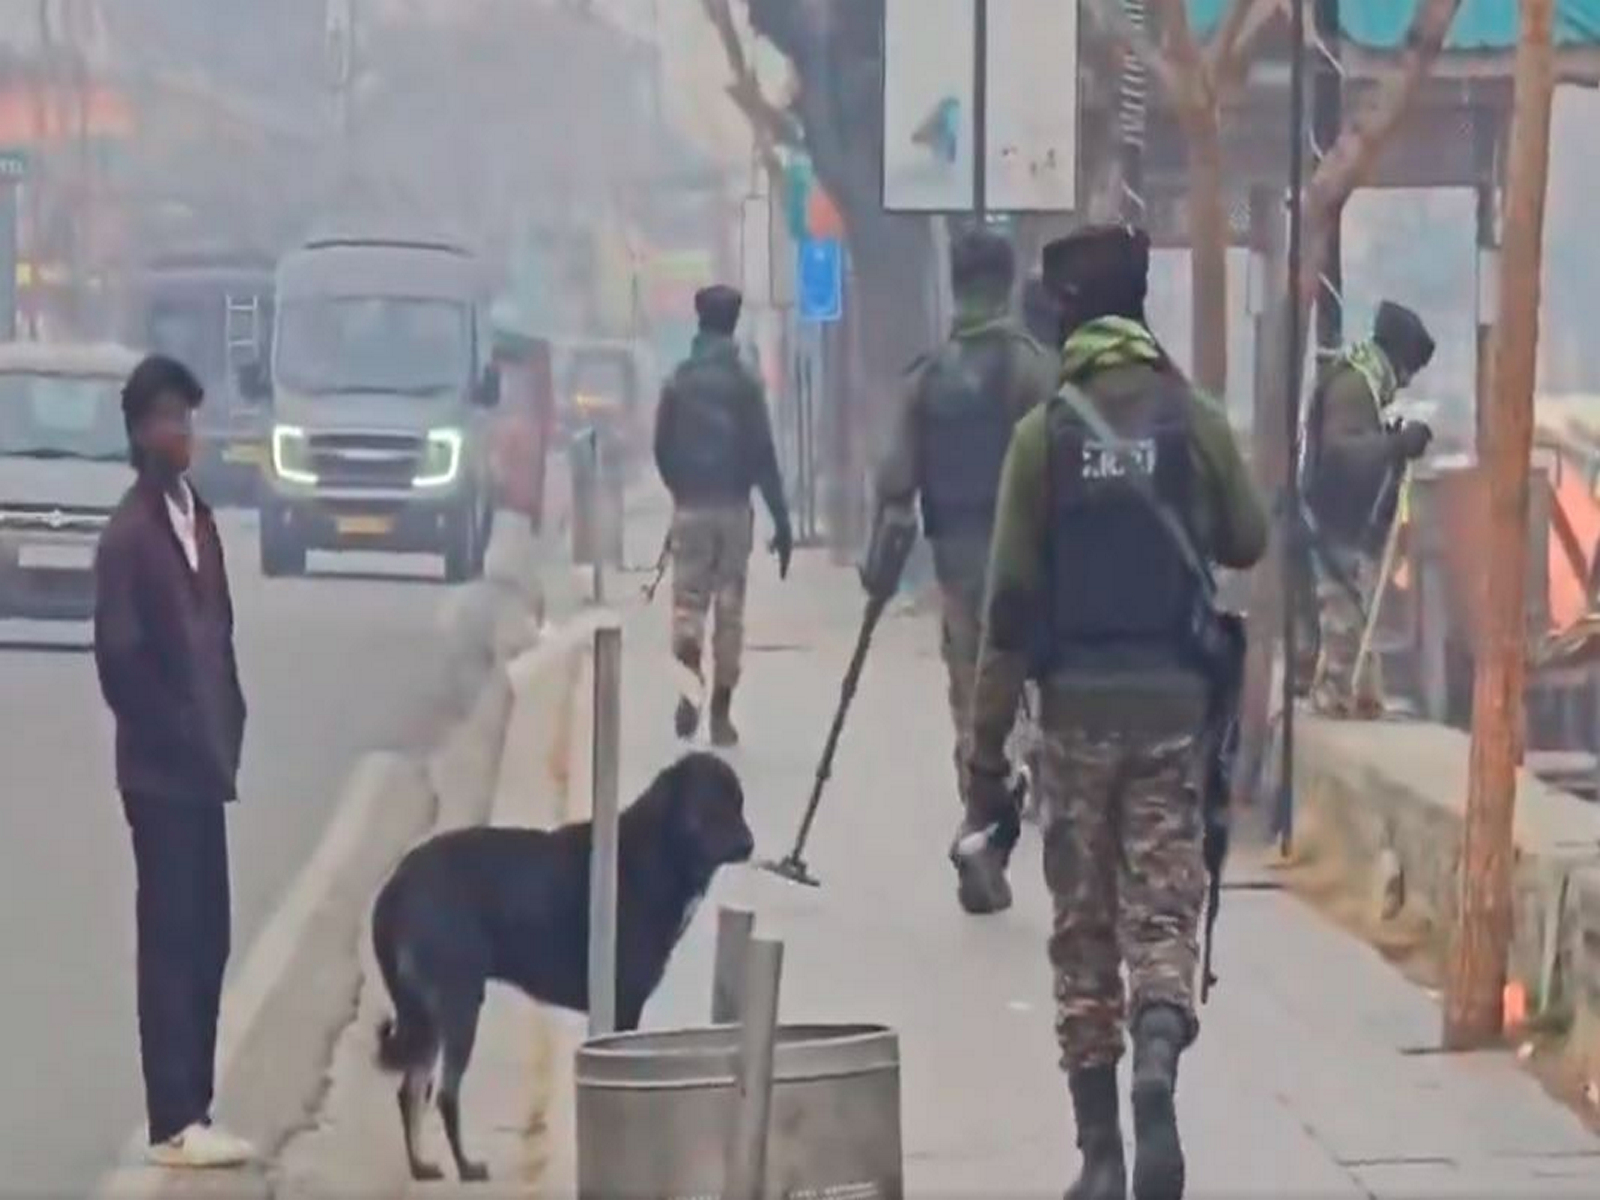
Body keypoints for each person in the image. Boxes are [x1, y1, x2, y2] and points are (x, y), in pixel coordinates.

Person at [967, 226, 1266, 1199]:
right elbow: (1248, 540)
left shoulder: (1040, 439)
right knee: (1163, 906)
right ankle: (1157, 1061)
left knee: (1083, 928)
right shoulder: (1193, 417)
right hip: (1175, 709)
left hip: (1072, 719)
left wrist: (982, 759)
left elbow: (1007, 606)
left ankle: (1098, 1150)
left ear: (1065, 316)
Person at [93, 355, 252, 1169]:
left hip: (205, 768)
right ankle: (173, 1115)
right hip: (159, 774)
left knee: (210, 935)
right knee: (172, 936)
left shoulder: (201, 518)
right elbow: (119, 662)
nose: (179, 433)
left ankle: (200, 1103)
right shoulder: (129, 535)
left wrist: (231, 719)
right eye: (163, 421)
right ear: (137, 433)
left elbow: (216, 635)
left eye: (185, 419)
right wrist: (176, 730)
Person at [871, 228, 1056, 914]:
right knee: (1033, 694)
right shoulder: (1035, 370)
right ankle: (1025, 797)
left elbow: (894, 477)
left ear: (955, 285)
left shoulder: (928, 376)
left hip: (956, 565)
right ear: (1005, 286)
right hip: (1031, 569)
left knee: (974, 711)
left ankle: (983, 827)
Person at [654, 284, 792, 746]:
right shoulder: (746, 384)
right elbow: (763, 455)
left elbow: (662, 447)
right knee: (730, 610)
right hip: (734, 510)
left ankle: (689, 683)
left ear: (699, 321)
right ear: (732, 325)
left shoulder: (679, 379)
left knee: (688, 603)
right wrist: (782, 521)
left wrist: (680, 489)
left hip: (691, 507)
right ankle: (721, 715)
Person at [1300, 300, 1435, 716]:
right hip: (1332, 523)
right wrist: (1397, 444)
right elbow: (1345, 450)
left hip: (1345, 523)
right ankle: (1335, 695)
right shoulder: (1354, 386)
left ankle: (1359, 695)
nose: (1406, 383)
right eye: (1408, 373)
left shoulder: (1357, 381)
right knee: (1344, 615)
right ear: (1398, 361)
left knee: (1355, 614)